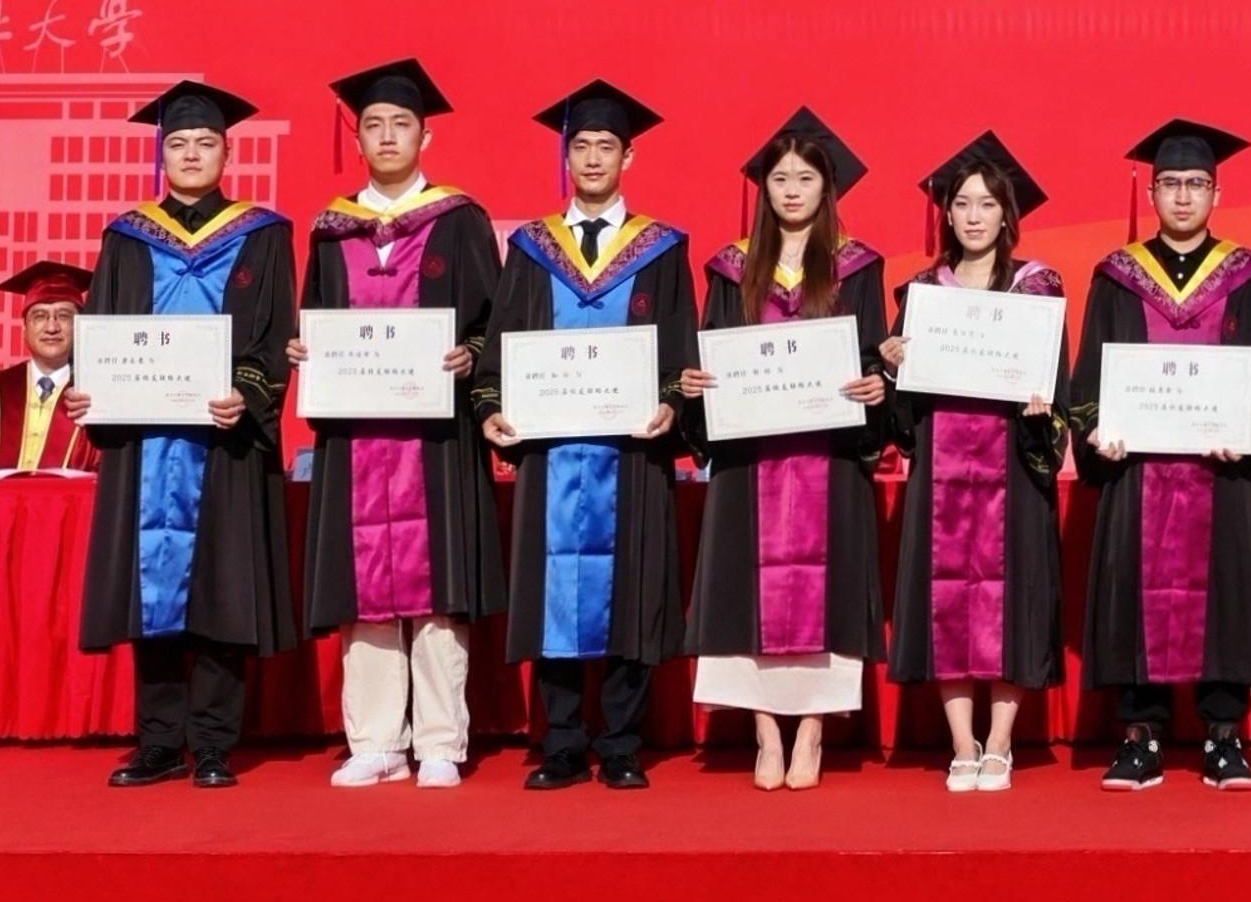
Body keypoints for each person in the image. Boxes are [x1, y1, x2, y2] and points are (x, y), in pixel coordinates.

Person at [300, 58, 509, 792]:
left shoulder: (459, 220)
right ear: (358, 139)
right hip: (356, 435)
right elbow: (316, 323)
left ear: (426, 136)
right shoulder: (331, 231)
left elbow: (494, 323)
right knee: (363, 582)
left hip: (436, 434)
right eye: (374, 125)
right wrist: (307, 352)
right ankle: (377, 740)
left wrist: (471, 354)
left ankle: (442, 738)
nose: (387, 136)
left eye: (401, 124)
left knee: (437, 579)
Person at [78, 82, 295, 788]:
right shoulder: (126, 236)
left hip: (225, 438)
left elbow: (274, 333)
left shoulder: (262, 234)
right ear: (161, 155)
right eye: (178, 143)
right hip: (145, 442)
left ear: (227, 153)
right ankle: (158, 741)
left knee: (222, 588)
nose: (192, 154)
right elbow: (102, 328)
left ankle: (213, 742)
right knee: (153, 589)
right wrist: (90, 388)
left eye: (205, 143)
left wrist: (249, 394)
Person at [480, 79, 693, 792]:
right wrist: (492, 409)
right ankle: (564, 742)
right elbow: (501, 346)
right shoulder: (530, 248)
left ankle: (623, 743)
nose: (594, 158)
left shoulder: (660, 249)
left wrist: (672, 404)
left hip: (631, 454)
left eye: (607, 146)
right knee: (554, 592)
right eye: (582, 146)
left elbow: (680, 350)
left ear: (629, 157)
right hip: (551, 455)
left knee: (632, 592)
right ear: (566, 156)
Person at [1069, 121, 1251, 791]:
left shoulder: (1249, 274)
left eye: (1197, 184)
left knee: (1223, 593)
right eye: (1171, 184)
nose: (1184, 196)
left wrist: (1250, 431)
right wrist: (1099, 431)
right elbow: (1090, 379)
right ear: (1153, 192)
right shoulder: (1117, 276)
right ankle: (1140, 736)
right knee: (1136, 591)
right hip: (1138, 472)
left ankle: (1224, 736)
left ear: (1217, 194)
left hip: (1220, 471)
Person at [680, 109, 892, 792]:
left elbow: (870, 356)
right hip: (750, 463)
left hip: (829, 460)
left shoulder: (859, 267)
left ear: (827, 187)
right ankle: (766, 732)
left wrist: (876, 383)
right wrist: (696, 385)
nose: (792, 190)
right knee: (745, 587)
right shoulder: (731, 268)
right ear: (763, 188)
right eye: (779, 178)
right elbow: (713, 352)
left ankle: (813, 730)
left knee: (826, 590)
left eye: (805, 178)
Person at [881, 132, 1071, 790]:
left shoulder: (1037, 288)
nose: (973, 215)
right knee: (948, 599)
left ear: (1007, 214)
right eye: (961, 203)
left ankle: (1000, 742)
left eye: (987, 203)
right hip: (941, 469)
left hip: (1012, 468)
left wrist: (1044, 409)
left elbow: (1057, 385)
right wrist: (893, 366)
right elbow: (902, 414)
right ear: (947, 213)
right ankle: (962, 742)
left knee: (1009, 598)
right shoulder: (922, 293)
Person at [0, 261, 94, 476]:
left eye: (64, 316)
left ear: (81, 326)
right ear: (24, 328)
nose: (51, 327)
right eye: (39, 316)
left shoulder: (96, 393)